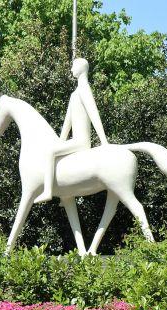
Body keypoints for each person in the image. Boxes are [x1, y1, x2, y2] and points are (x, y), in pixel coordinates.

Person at [34, 57, 108, 203]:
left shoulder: (84, 89)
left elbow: (94, 114)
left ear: (81, 68)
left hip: (81, 141)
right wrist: (60, 142)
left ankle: (48, 191)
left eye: (74, 66)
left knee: (50, 153)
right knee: (53, 151)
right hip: (74, 140)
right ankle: (64, 193)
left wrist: (104, 141)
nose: (71, 69)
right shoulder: (74, 94)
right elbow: (68, 122)